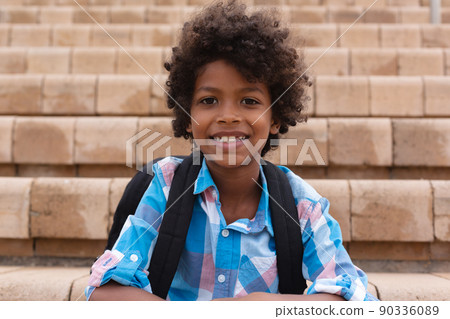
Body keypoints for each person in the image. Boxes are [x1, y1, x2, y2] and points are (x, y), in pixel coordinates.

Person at [86, 0, 377, 301]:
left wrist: (261, 304)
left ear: (275, 118)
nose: (228, 116)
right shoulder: (165, 186)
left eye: (249, 101)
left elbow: (353, 300)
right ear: (188, 117)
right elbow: (103, 293)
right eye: (209, 101)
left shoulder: (302, 206)